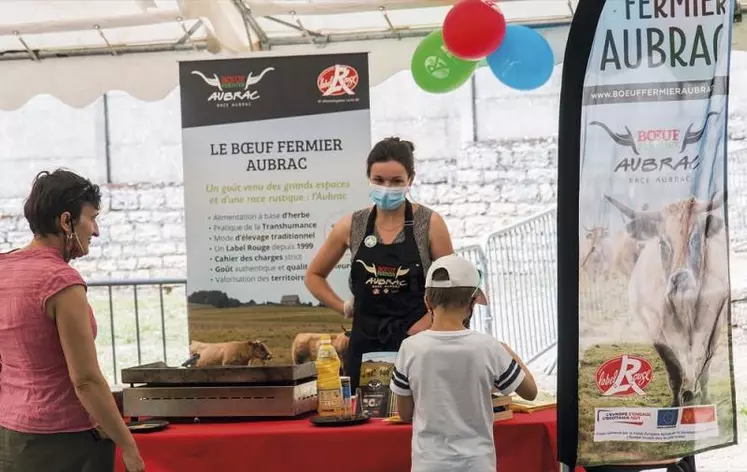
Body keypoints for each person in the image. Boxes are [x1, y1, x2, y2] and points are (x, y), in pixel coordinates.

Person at [0, 169, 145, 472]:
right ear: (66, 221)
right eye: (92, 218)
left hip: (11, 434)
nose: (95, 231)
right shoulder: (61, 281)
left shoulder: (4, 269)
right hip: (63, 441)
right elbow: (86, 380)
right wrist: (128, 445)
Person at [305, 137, 454, 392]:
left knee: (414, 417)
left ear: (411, 180)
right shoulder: (352, 225)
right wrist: (343, 306)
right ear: (368, 178)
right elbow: (314, 276)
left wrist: (431, 319)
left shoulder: (429, 223)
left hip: (419, 342)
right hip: (366, 345)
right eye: (379, 180)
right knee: (366, 419)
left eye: (396, 181)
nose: (387, 187)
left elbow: (455, 285)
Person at [390, 254, 538, 472]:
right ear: (473, 302)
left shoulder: (409, 348)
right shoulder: (488, 347)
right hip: (477, 464)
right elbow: (530, 392)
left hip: (428, 464)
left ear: (427, 301)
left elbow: (405, 414)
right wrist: (508, 351)